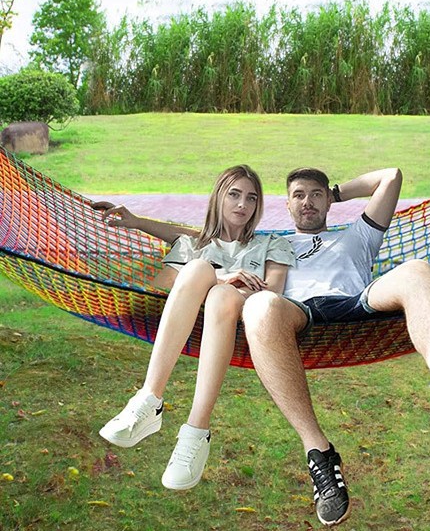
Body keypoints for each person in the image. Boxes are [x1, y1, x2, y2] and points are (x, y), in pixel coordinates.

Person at [240, 166, 430, 527]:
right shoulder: (272, 246)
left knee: (417, 269)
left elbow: (391, 177)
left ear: (328, 201)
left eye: (316, 194)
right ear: (287, 204)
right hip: (299, 312)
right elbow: (210, 241)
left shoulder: (358, 235)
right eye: (299, 195)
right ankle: (319, 452)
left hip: (357, 303)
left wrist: (337, 193)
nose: (308, 202)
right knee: (258, 305)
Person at [92, 164, 295, 491]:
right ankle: (150, 399)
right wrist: (220, 276)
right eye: (234, 194)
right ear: (218, 197)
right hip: (192, 319)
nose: (242, 204)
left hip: (243, 319)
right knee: (201, 270)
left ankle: (195, 430)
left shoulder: (271, 243)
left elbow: (273, 292)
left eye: (251, 198)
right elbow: (162, 287)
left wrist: (225, 286)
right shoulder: (191, 245)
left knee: (220, 294)